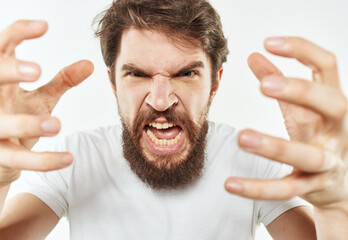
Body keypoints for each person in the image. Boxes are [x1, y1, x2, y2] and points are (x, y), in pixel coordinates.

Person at [0, 0, 347, 239]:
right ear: (113, 83)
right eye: (137, 74)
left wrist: (335, 207)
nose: (161, 100)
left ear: (215, 83)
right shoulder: (73, 159)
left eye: (185, 74)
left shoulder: (251, 161)